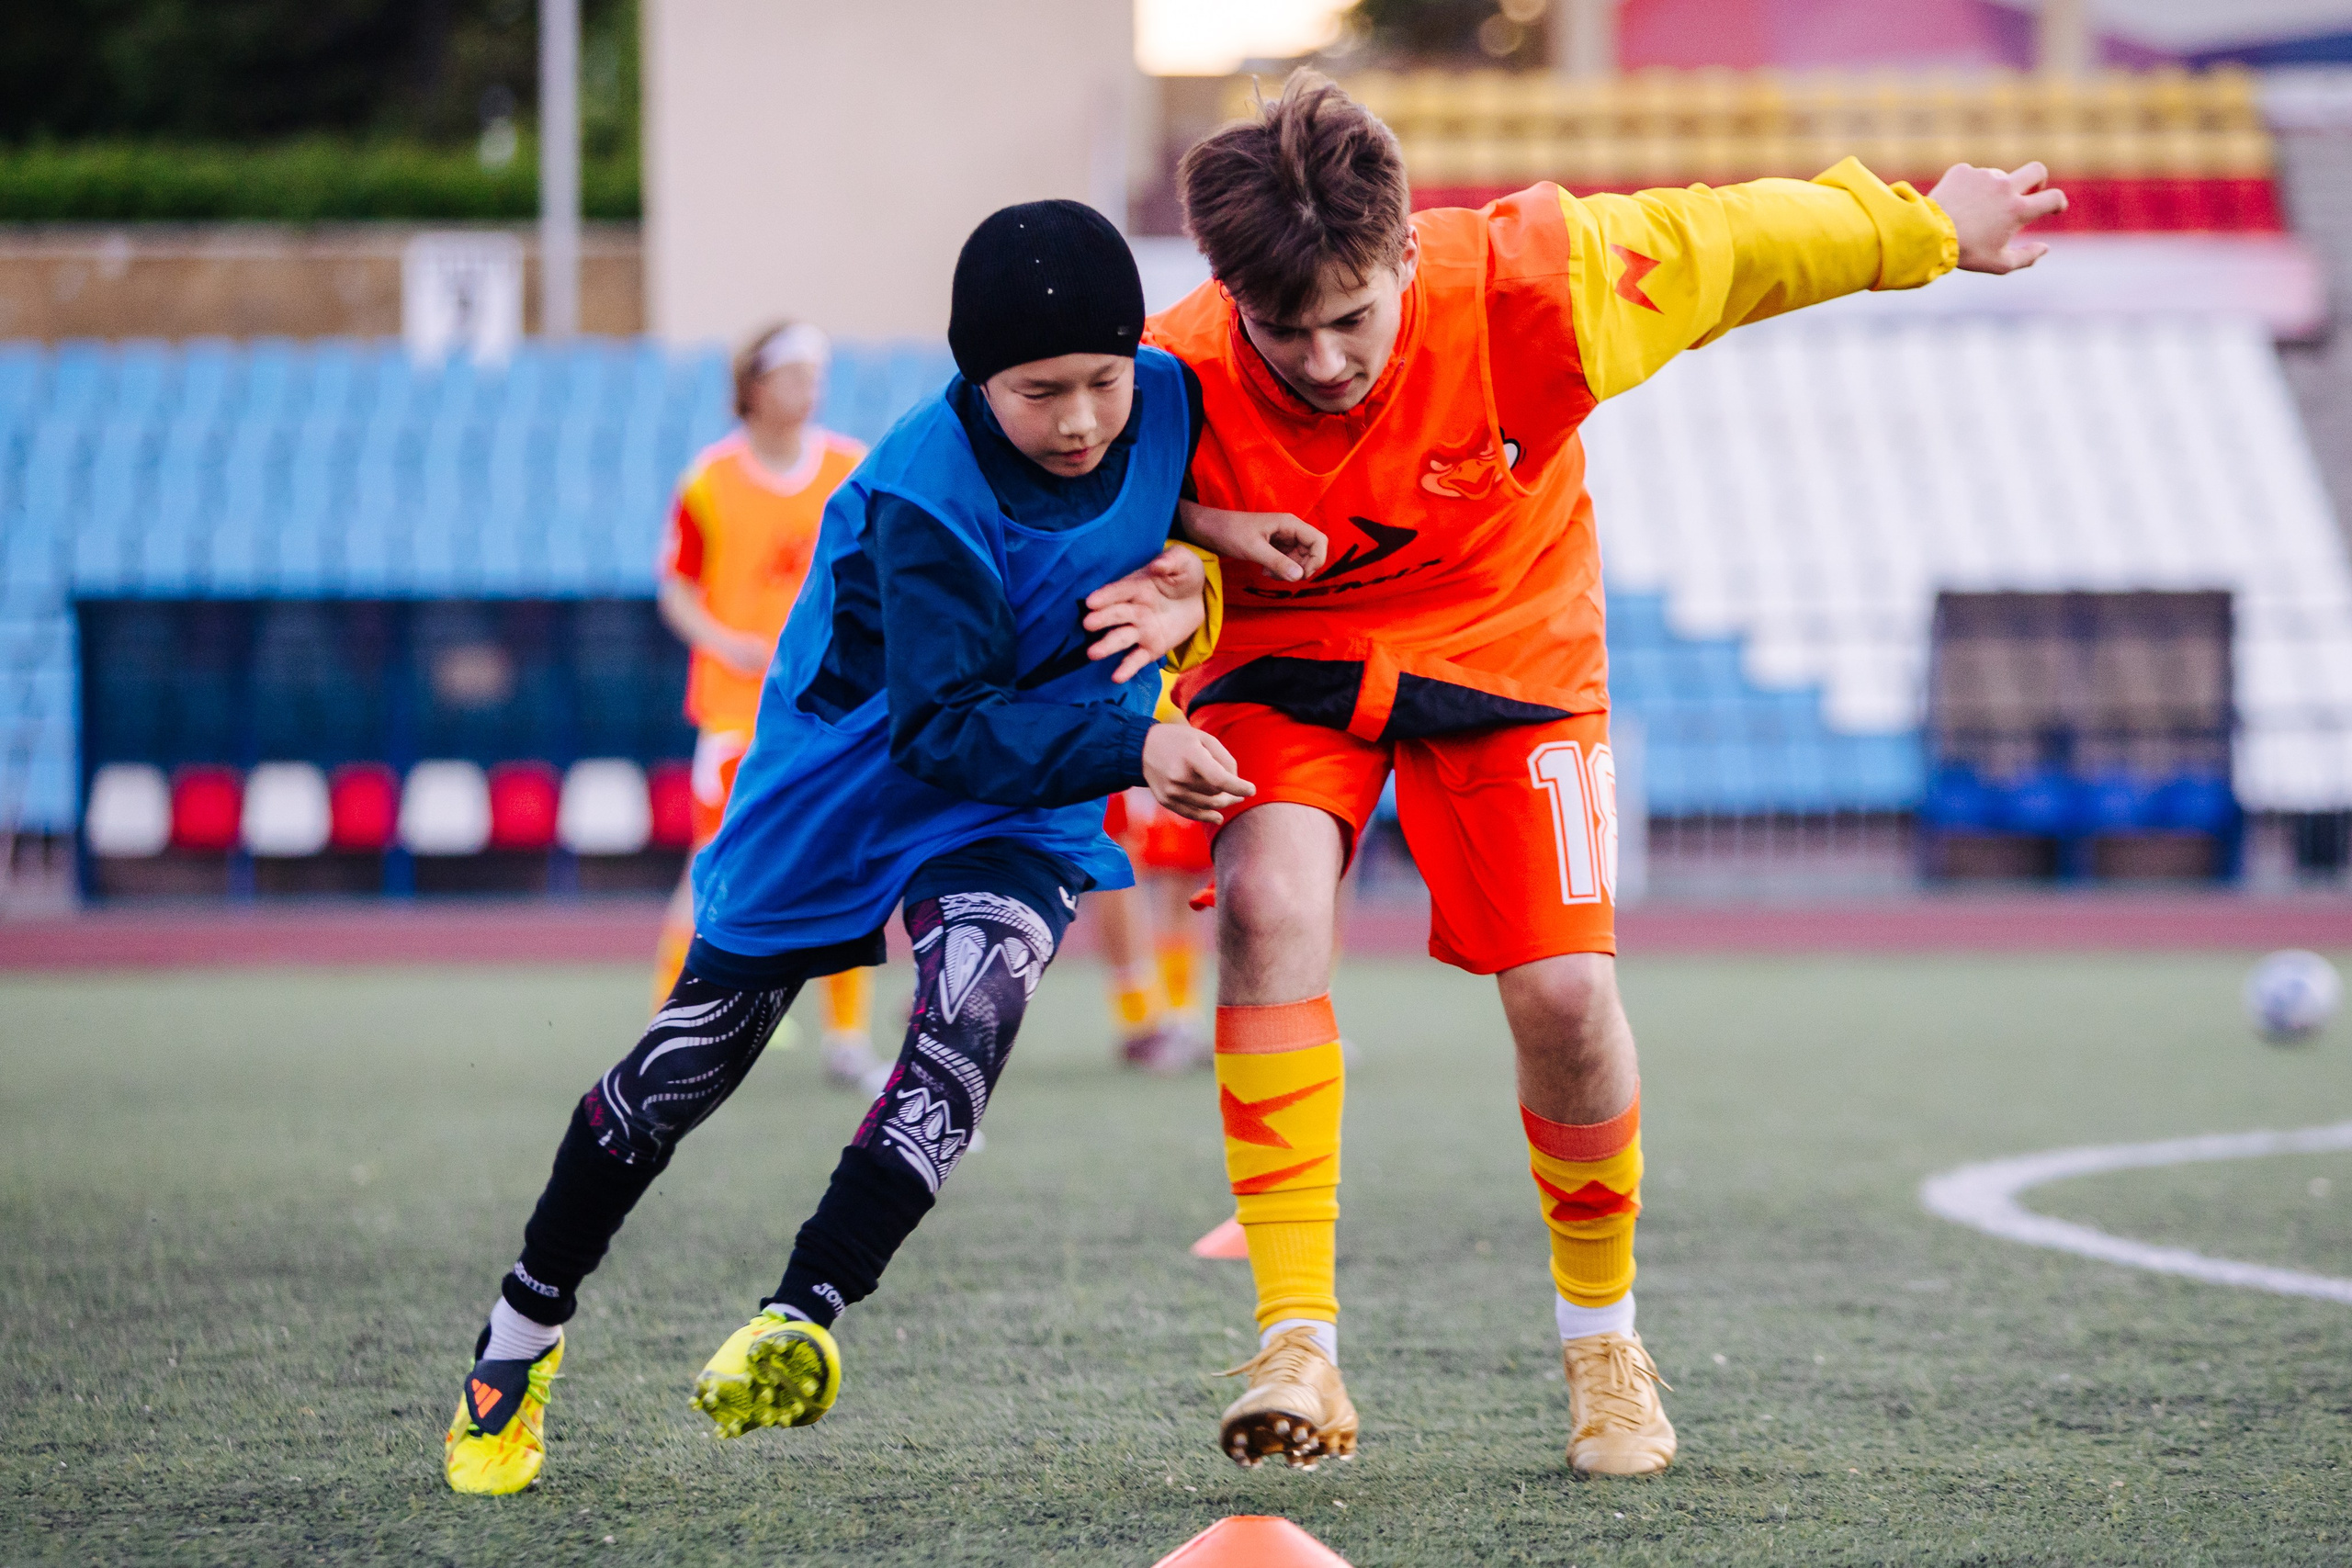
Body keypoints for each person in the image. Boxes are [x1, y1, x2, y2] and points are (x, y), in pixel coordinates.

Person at [1148, 70, 2065, 1475]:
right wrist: (1166, 641)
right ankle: (1297, 1341)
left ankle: (1604, 1343)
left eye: (1351, 318)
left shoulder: (1542, 282)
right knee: (1271, 906)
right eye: (1284, 329)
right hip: (1290, 651)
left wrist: (1928, 229)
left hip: (1511, 647)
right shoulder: (1172, 370)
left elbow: (1744, 240)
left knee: (1569, 996)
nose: (1324, 360)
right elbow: (1068, 514)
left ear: (1407, 251)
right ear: (1225, 292)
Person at [442, 199, 1311, 1495]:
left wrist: (1218, 548)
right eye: (1040, 392)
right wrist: (1139, 745)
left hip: (1027, 789)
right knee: (675, 1078)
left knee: (974, 1015)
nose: (1081, 419)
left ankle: (804, 1308)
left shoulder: (1167, 395)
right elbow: (946, 727)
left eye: (1103, 383)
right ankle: (516, 1343)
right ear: (975, 378)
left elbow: (1161, 487)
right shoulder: (923, 491)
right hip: (849, 788)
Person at [651, 321, 883, 1089]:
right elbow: (677, 589)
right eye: (790, 373)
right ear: (753, 385)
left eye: (814, 373)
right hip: (735, 714)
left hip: (833, 711)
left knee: (847, 863)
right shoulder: (708, 482)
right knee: (715, 867)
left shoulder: (852, 468)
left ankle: (846, 1037)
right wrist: (725, 640)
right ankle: (672, 1027)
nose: (807, 388)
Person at [1095, 779, 1216, 1071]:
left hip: (1178, 735)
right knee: (1115, 852)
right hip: (1117, 737)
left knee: (1182, 864)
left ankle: (1180, 1018)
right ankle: (1138, 1019)